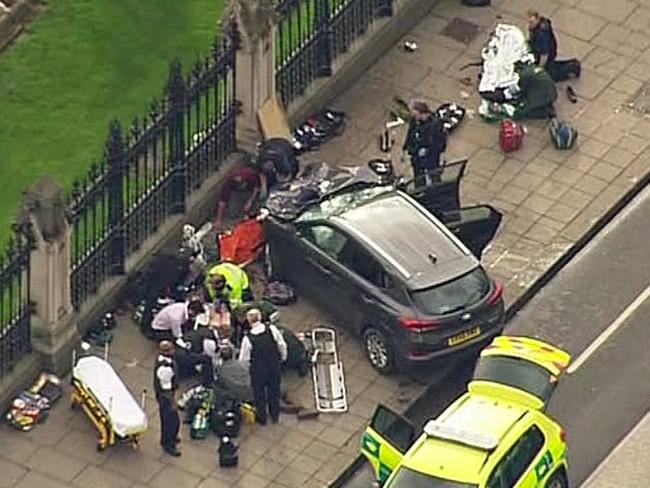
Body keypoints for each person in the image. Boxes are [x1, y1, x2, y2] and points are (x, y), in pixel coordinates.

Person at [238, 308, 287, 425]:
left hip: (258, 371)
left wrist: (249, 369)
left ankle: (262, 418)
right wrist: (283, 357)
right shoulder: (272, 330)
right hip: (273, 366)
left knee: (259, 395)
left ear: (249, 322)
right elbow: (282, 345)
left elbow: (243, 360)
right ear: (260, 318)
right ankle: (275, 415)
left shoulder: (247, 339)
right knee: (274, 391)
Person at [215, 163, 274, 230]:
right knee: (233, 214)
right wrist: (218, 220)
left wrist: (250, 201)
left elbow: (256, 188)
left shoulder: (251, 176)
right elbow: (222, 202)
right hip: (238, 193)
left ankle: (251, 212)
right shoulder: (229, 184)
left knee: (259, 199)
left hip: (249, 191)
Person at [528, 10, 581, 82]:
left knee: (552, 75)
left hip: (547, 55)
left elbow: (544, 55)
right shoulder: (541, 26)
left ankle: (573, 67)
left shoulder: (541, 35)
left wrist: (539, 68)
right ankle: (572, 65)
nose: (530, 24)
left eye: (531, 22)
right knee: (551, 67)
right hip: (549, 51)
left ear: (537, 20)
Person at [402, 100, 447, 183]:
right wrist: (405, 148)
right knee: (418, 175)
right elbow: (410, 133)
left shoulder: (434, 124)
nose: (414, 116)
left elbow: (440, 141)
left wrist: (440, 155)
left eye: (415, 114)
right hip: (416, 155)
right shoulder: (415, 121)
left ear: (421, 112)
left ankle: (436, 188)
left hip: (430, 156)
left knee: (433, 174)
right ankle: (420, 189)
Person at [153, 341, 181, 456]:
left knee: (169, 419)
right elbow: (166, 389)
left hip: (165, 395)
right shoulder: (165, 369)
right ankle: (168, 444)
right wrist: (173, 402)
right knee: (171, 421)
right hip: (166, 397)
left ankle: (170, 438)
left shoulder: (164, 362)